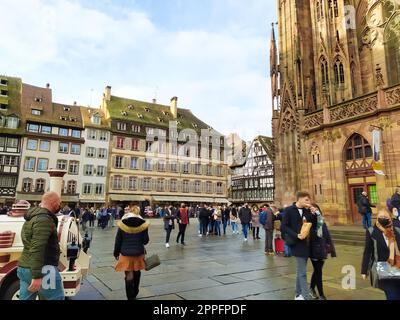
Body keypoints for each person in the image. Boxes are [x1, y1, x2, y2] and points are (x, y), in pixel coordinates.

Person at [17, 192, 64, 300]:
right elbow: (37, 247)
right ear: (54, 203)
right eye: (59, 203)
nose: (59, 205)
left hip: (25, 266)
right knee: (55, 298)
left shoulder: (33, 217)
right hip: (44, 269)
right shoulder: (44, 219)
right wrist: (37, 276)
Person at [281, 191, 316, 300]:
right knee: (302, 272)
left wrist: (314, 214)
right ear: (299, 199)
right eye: (306, 200)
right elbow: (284, 226)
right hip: (296, 243)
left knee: (301, 270)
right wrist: (296, 235)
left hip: (307, 243)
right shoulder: (289, 210)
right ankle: (306, 296)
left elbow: (313, 225)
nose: (308, 202)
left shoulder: (307, 211)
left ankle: (298, 294)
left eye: (309, 200)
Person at [361, 208, 400, 300]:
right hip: (384, 270)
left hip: (398, 266)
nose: (382, 218)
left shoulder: (397, 230)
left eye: (385, 216)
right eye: (380, 217)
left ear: (390, 218)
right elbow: (368, 251)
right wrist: (364, 270)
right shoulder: (372, 231)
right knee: (392, 295)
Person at [114, 205, 149, 300]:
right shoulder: (143, 224)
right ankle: (136, 289)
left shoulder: (122, 223)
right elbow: (145, 241)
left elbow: (118, 240)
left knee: (129, 275)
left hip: (126, 254)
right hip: (138, 252)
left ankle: (130, 297)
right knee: (137, 271)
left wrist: (116, 253)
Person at [309, 204, 337, 300]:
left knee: (317, 271)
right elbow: (312, 235)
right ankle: (321, 294)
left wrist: (332, 250)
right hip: (313, 250)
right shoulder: (310, 222)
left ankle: (311, 288)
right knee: (318, 272)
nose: (315, 211)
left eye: (316, 209)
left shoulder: (322, 221)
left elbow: (327, 236)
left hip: (322, 250)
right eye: (312, 210)